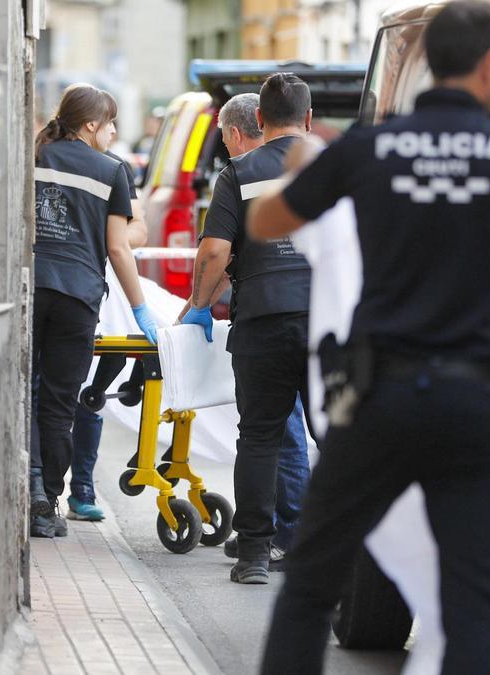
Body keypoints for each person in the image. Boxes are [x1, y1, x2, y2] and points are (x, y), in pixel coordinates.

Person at [248, 2, 490, 672]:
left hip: (379, 399)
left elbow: (265, 222)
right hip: (480, 407)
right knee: (475, 603)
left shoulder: (369, 149)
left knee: (312, 581)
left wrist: (299, 169)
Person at [179, 75, 315, 585]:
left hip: (261, 320)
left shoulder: (240, 171)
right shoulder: (338, 167)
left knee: (259, 438)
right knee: (337, 437)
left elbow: (216, 251)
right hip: (325, 323)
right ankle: (331, 551)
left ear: (259, 120)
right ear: (308, 117)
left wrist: (198, 304)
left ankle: (254, 556)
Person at [29, 83, 159, 538]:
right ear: (91, 125)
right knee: (59, 402)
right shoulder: (112, 170)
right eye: (111, 122)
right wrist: (142, 311)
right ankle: (47, 503)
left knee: (24, 393)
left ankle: (27, 489)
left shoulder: (35, 154)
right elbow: (119, 249)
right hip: (77, 298)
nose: (115, 131)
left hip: (29, 289)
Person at [63, 133, 149, 523]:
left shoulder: (116, 168)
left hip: (108, 288)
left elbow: (138, 231)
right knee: (56, 391)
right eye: (109, 122)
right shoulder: (49, 160)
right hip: (69, 287)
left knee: (90, 396)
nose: (114, 131)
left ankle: (82, 487)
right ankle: (46, 487)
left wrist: (102, 234)